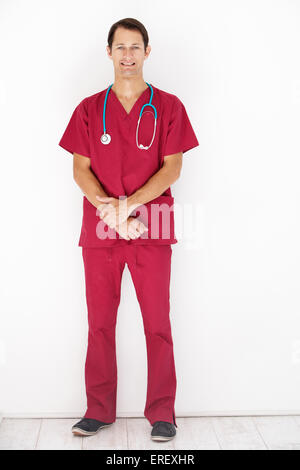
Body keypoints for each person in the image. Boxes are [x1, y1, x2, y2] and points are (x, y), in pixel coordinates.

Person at [58, 17, 199, 442]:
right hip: (101, 225)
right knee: (99, 323)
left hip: (150, 225)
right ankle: (98, 410)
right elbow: (80, 170)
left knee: (158, 322)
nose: (128, 55)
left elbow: (172, 166)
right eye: (120, 47)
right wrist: (110, 210)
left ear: (147, 52)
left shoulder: (169, 107)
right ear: (109, 52)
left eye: (135, 47)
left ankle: (163, 413)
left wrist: (129, 207)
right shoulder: (88, 109)